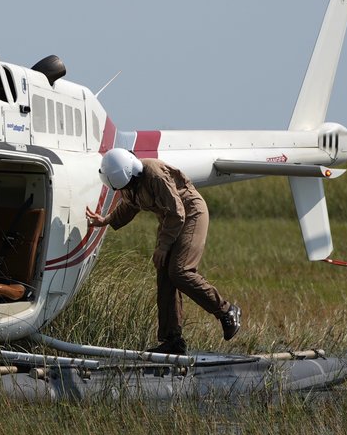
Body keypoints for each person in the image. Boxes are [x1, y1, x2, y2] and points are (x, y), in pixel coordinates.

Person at [84, 148, 240, 355]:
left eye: (129, 184)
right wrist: (106, 220)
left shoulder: (154, 174)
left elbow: (177, 213)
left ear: (133, 171)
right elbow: (130, 204)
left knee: (180, 271)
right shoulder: (129, 179)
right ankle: (172, 340)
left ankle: (226, 311)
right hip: (170, 221)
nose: (128, 188)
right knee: (165, 276)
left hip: (190, 213)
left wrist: (163, 246)